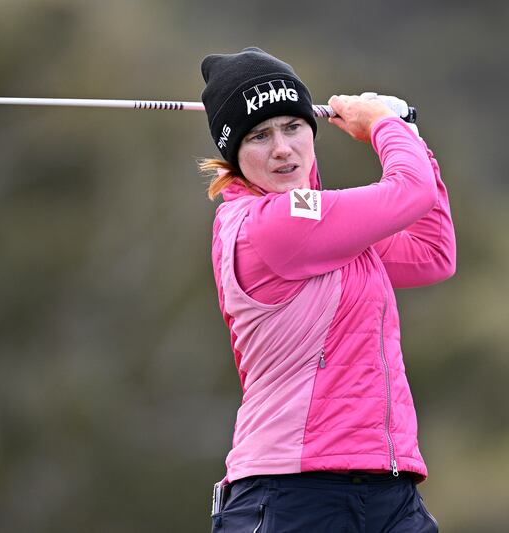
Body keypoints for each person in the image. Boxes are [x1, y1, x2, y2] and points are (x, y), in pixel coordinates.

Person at [199, 47, 454, 532]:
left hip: (388, 491)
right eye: (259, 135)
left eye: (292, 126)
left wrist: (412, 138)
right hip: (289, 493)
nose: (281, 148)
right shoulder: (270, 224)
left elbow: (432, 252)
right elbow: (409, 191)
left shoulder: (329, 231)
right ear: (234, 155)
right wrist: (384, 126)